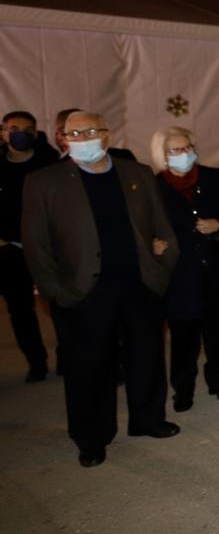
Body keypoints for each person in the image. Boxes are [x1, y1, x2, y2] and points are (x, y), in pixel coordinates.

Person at [22, 111, 180, 467]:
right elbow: (36, 245)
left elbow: (162, 226)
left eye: (91, 131)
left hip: (139, 285)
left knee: (147, 357)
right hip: (83, 293)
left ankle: (148, 420)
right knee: (88, 368)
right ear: (63, 138)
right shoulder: (43, 181)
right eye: (75, 133)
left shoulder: (136, 173)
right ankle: (92, 437)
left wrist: (162, 268)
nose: (84, 138)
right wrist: (57, 292)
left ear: (106, 135)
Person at [151, 126, 219, 411]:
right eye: (176, 150)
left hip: (216, 269)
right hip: (180, 274)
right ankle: (183, 390)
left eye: (187, 148)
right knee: (184, 339)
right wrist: (153, 243)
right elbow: (144, 224)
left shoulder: (214, 177)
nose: (184, 155)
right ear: (163, 155)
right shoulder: (153, 186)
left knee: (218, 333)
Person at [0, 111, 59, 381]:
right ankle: (36, 361)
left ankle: (69, 356)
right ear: (3, 132)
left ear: (36, 134)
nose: (19, 133)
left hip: (48, 246)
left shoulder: (50, 164)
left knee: (60, 304)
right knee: (20, 309)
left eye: (26, 129)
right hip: (11, 249)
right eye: (13, 128)